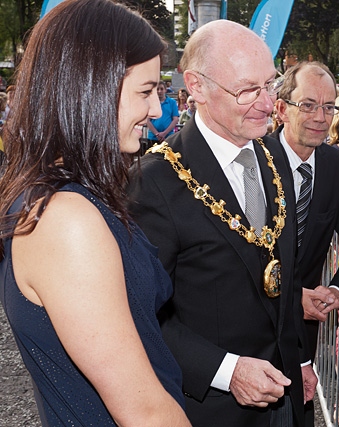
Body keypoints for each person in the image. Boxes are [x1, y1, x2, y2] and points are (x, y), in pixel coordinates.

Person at [0, 0, 191, 425]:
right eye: (145, 92)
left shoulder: (65, 198)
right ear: (92, 88)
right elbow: (143, 412)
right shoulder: (66, 218)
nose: (158, 110)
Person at [128, 20, 309, 427]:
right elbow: (138, 314)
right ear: (197, 86)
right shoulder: (153, 182)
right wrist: (226, 371)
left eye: (271, 84)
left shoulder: (273, 157)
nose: (267, 103)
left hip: (286, 395)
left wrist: (301, 359)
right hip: (209, 409)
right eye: (247, 90)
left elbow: (283, 276)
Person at [269, 60, 339, 426]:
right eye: (308, 105)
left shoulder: (337, 166)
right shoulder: (252, 161)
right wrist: (289, 294)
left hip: (303, 334)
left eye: (329, 106)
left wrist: (338, 291)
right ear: (282, 109)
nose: (320, 116)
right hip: (247, 329)